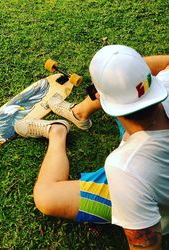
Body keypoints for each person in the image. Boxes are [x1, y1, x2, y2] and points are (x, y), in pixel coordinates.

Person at [15, 45, 169, 250]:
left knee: (46, 196)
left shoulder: (126, 168)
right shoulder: (165, 81)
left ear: (98, 95)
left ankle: (57, 132)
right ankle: (78, 113)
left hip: (149, 184)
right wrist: (130, 72)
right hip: (155, 138)